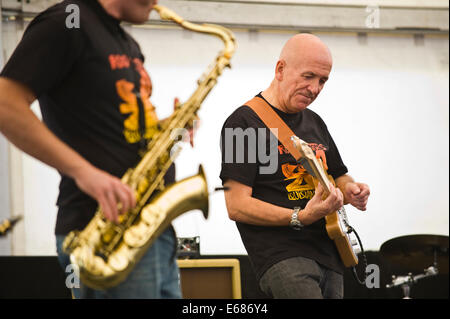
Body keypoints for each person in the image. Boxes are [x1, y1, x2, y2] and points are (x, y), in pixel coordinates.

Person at [0, 0, 182, 298]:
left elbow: (121, 130)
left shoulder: (126, 41)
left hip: (150, 227)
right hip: (104, 231)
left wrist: (168, 128)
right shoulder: (67, 21)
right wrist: (83, 172)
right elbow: (5, 104)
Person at [220, 33, 370, 299]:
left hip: (331, 253)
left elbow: (338, 175)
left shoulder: (315, 122)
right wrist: (300, 217)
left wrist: (352, 190)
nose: (315, 88)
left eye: (323, 80)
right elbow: (236, 205)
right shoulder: (243, 123)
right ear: (280, 69)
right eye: (308, 76)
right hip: (283, 255)